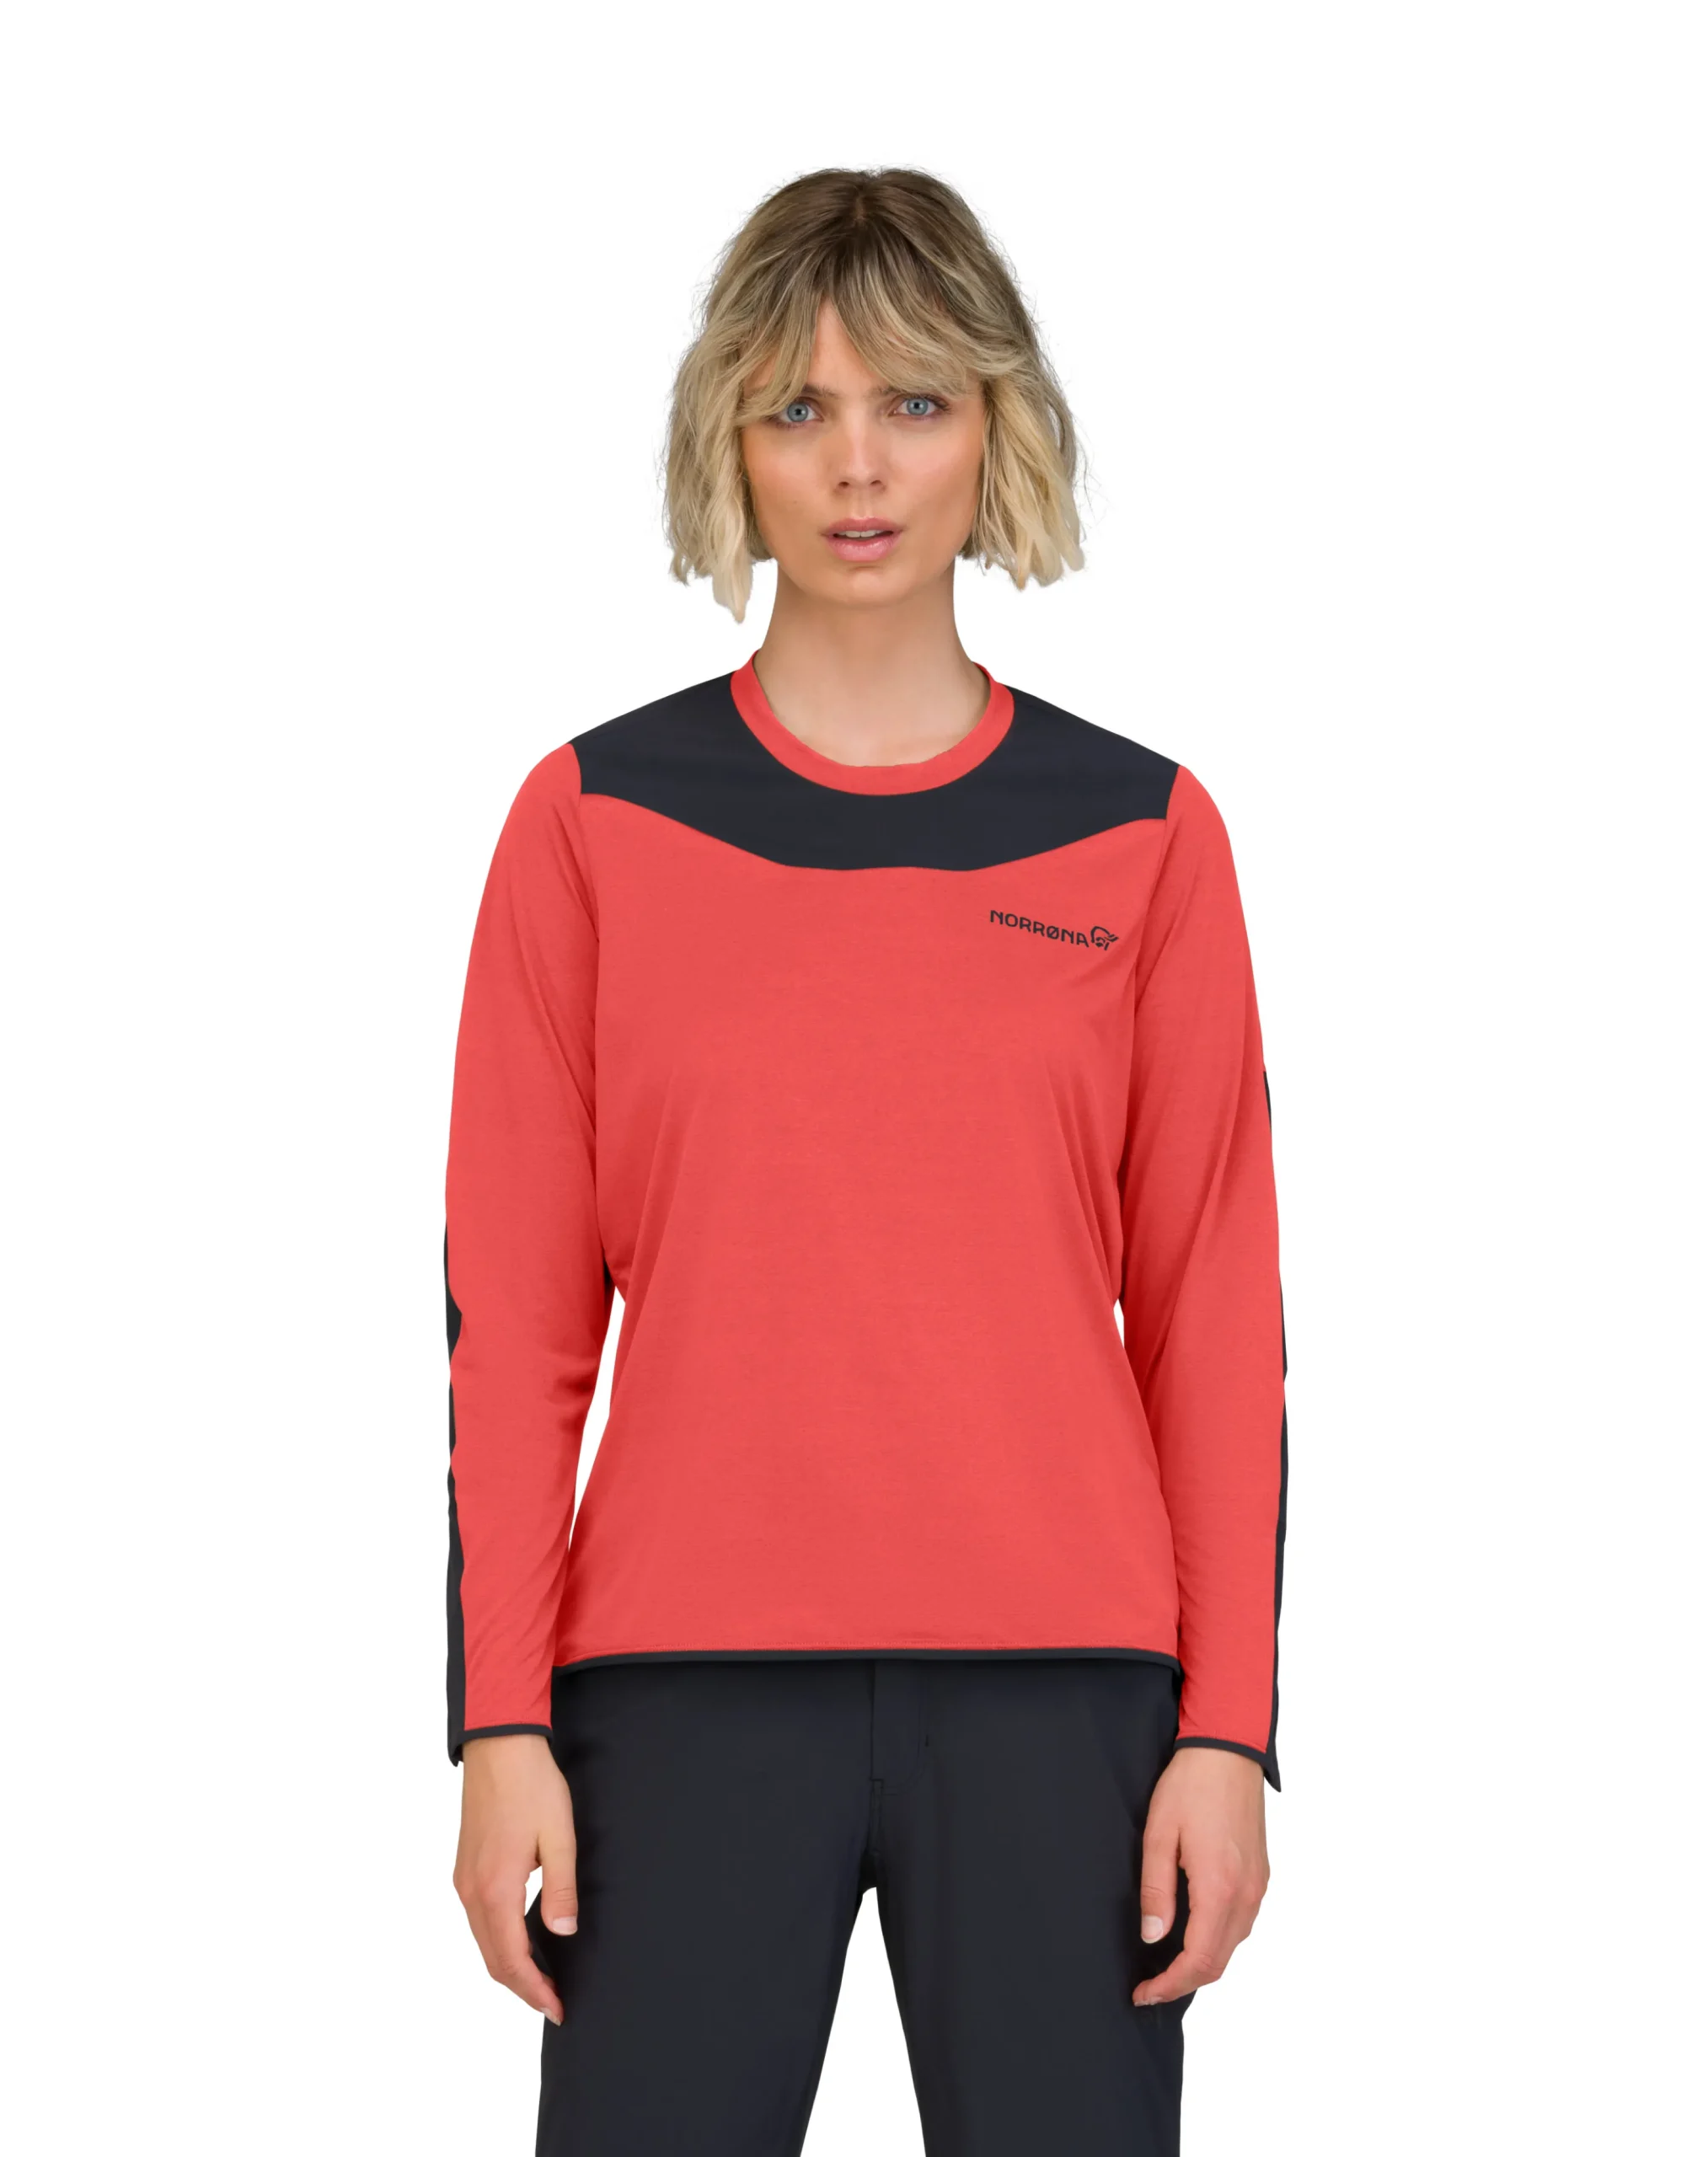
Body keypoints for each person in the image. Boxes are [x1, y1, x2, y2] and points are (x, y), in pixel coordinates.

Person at [443, 166, 1287, 2156]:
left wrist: (1230, 1729)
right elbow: (516, 1326)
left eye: (912, 401)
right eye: (797, 406)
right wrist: (497, 1721)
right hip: (675, 1682)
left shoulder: (1146, 832)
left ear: (996, 426)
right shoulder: (589, 822)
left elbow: (1212, 1312)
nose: (856, 465)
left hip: (1067, 1685)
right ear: (725, 440)